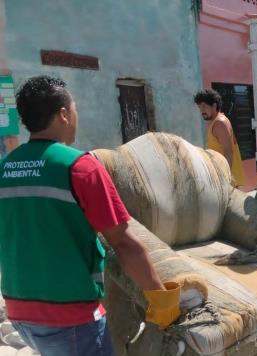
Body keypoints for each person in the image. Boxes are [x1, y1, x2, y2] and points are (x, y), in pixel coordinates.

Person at [0, 76, 181, 356]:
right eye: (74, 110)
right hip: (69, 314)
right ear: (63, 114)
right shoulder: (80, 167)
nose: (76, 117)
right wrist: (161, 297)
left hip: (20, 309)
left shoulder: (5, 168)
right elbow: (124, 243)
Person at [194, 89, 246, 187]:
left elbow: (228, 152)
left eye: (204, 106)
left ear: (214, 106)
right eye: (199, 107)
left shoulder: (220, 123)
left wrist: (225, 180)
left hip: (227, 180)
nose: (201, 111)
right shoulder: (215, 121)